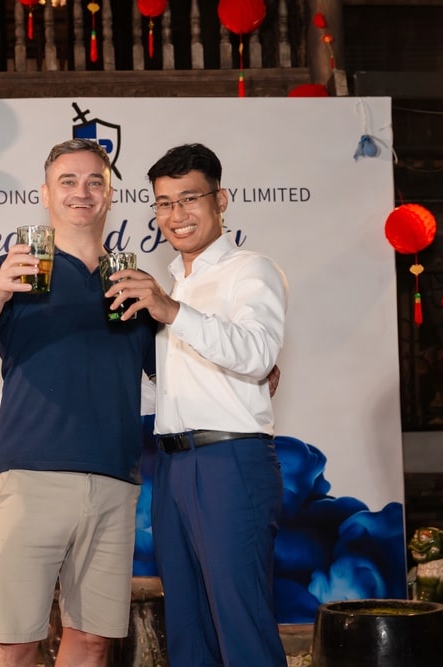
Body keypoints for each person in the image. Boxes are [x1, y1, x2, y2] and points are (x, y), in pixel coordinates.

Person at [0, 138, 157, 667]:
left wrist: (247, 373)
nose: (82, 192)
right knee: (15, 640)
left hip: (115, 480)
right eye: (68, 181)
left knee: (93, 641)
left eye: (94, 181)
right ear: (45, 194)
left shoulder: (132, 281)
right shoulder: (16, 267)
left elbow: (170, 371)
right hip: (33, 474)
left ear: (109, 195)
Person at [108, 143, 289, 666]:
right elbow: (168, 387)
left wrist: (171, 310)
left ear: (221, 200)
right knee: (188, 629)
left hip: (230, 461)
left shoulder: (250, 271)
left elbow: (257, 354)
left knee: (242, 626)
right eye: (164, 203)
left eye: (189, 198)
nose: (176, 215)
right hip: (171, 466)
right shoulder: (177, 283)